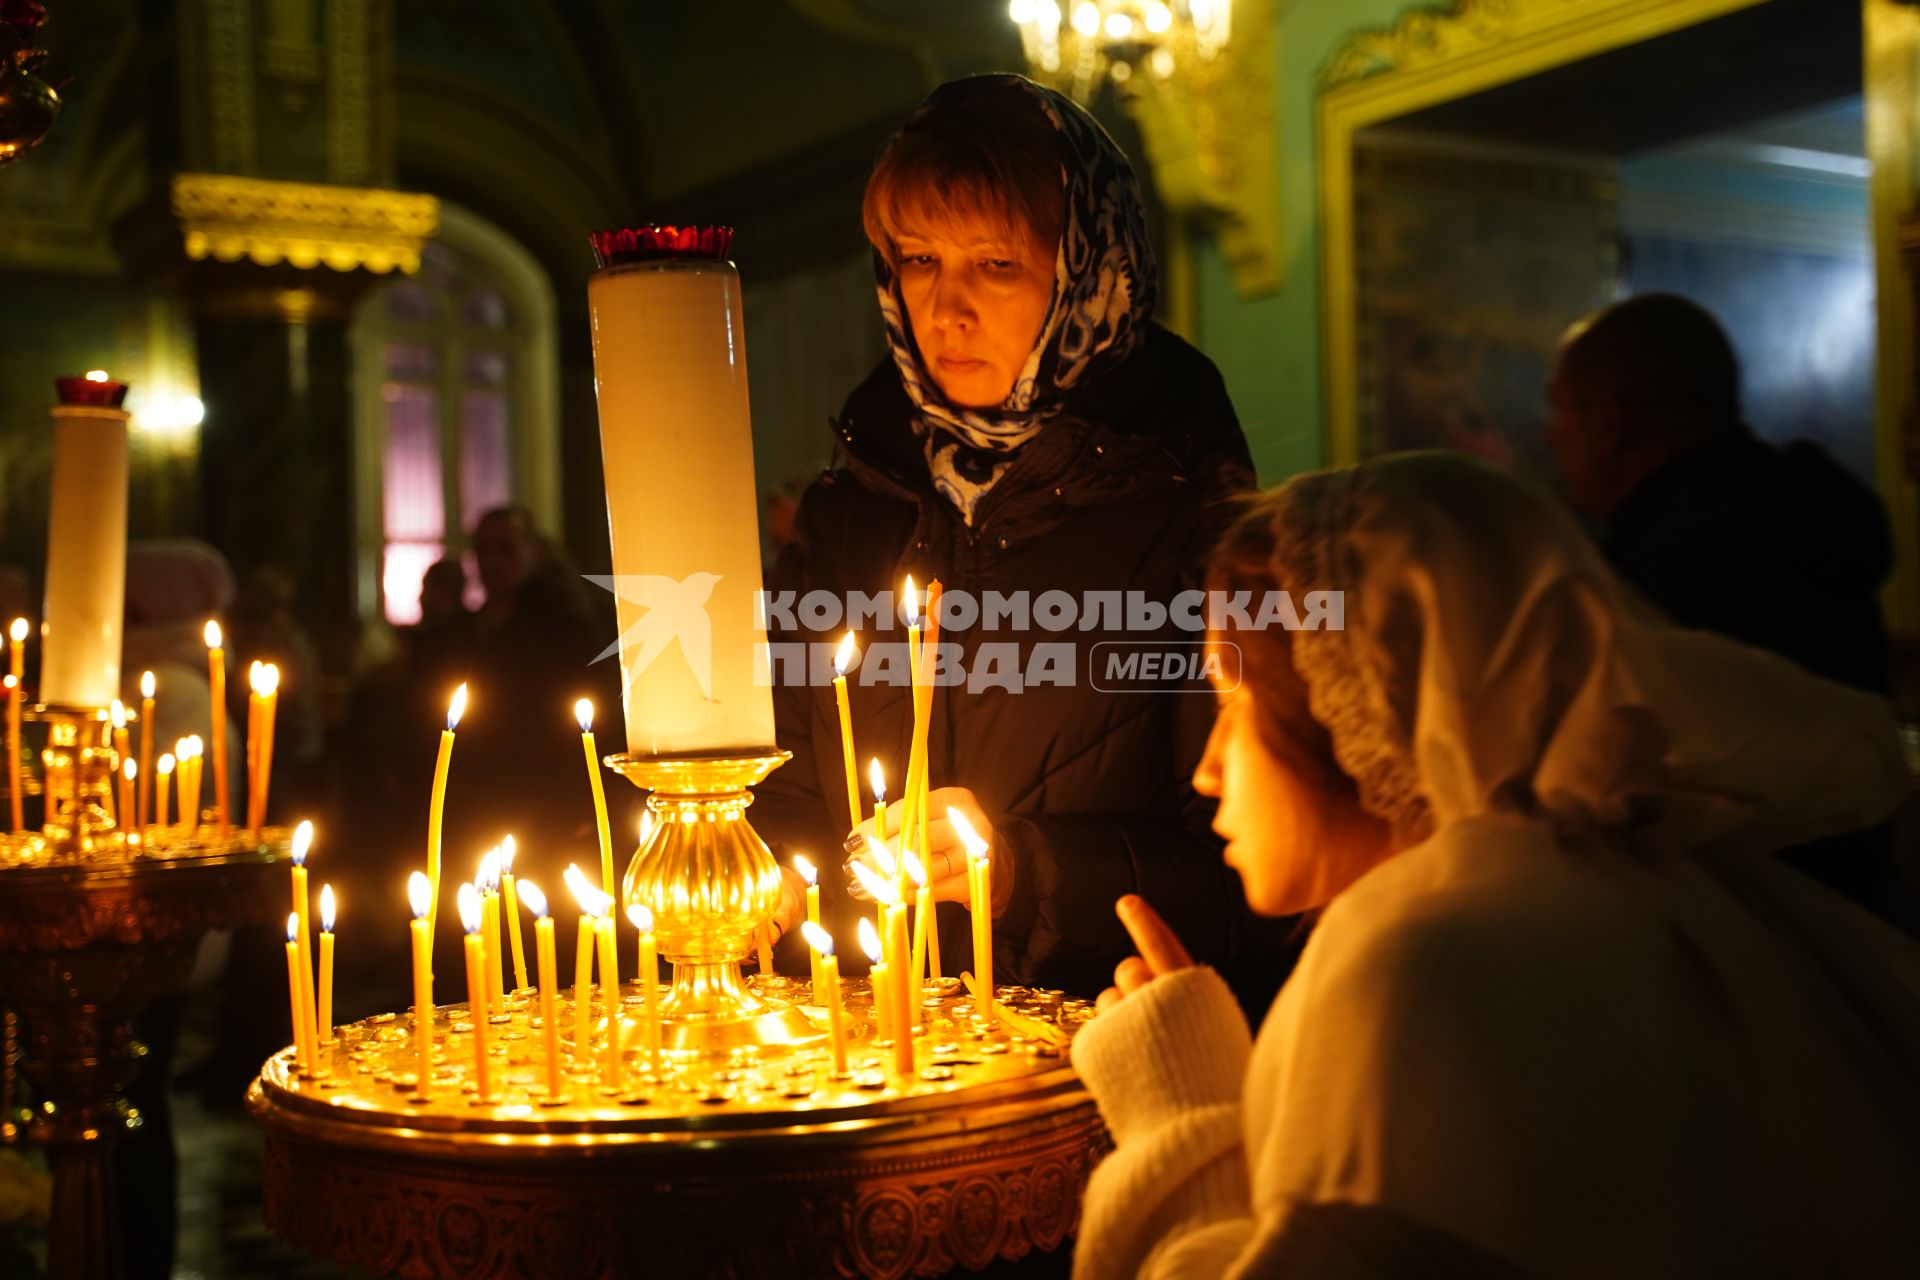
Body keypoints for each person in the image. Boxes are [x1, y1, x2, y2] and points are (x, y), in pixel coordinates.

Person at [1066, 452, 1920, 1277]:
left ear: (1349, 705)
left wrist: (1179, 1122)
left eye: (1233, 698)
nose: (1206, 768)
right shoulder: (1615, 892)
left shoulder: (1419, 967)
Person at [754, 73, 1287, 1004]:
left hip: (1101, 1064)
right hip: (874, 1055)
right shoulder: (852, 513)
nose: (947, 310)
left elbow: (1261, 888)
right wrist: (768, 881)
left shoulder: (1195, 522)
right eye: (920, 260)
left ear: (1088, 274)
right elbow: (793, 783)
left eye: (995, 265)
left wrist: (1023, 872)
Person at [1545, 293, 1890, 695]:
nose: (1549, 436)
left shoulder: (1661, 586)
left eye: (1559, 409)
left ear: (1608, 426)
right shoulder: (1814, 514)